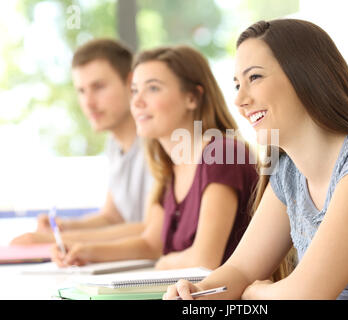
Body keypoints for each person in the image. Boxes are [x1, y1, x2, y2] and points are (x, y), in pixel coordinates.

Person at [164, 19, 348, 300]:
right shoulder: (288, 173)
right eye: (237, 84)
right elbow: (240, 269)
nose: (239, 101)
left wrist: (256, 292)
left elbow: (307, 294)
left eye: (254, 78)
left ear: (306, 76)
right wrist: (198, 293)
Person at [51, 45, 259, 270]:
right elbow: (151, 243)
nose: (137, 101)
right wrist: (85, 251)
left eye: (152, 88)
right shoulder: (170, 168)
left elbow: (203, 261)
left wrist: (163, 263)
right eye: (134, 90)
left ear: (192, 97)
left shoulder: (221, 155)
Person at [11, 39, 153, 245]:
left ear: (131, 84)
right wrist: (64, 226)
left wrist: (54, 240)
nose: (88, 102)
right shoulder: (114, 145)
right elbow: (113, 217)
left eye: (99, 87)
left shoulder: (156, 142)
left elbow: (151, 228)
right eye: (81, 91)